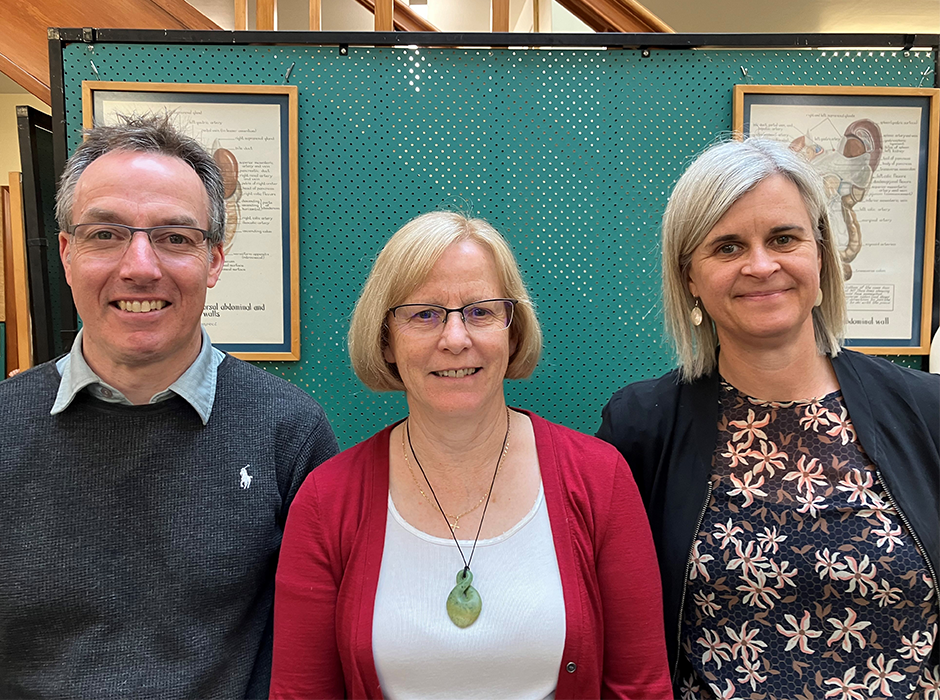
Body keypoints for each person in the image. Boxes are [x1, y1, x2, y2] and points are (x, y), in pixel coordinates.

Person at [0, 115, 338, 698]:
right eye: (105, 234)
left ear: (214, 261)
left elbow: (313, 653)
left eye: (174, 237)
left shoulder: (288, 432)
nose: (139, 266)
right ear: (66, 253)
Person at [271, 211, 672, 699]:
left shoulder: (599, 478)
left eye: (480, 311)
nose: (456, 339)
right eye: (424, 314)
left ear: (513, 331)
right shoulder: (326, 501)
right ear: (386, 340)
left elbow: (641, 689)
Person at [597, 138, 939, 699]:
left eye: (784, 238)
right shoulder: (641, 428)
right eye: (727, 247)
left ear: (821, 255)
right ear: (689, 277)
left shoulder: (928, 412)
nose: (761, 265)